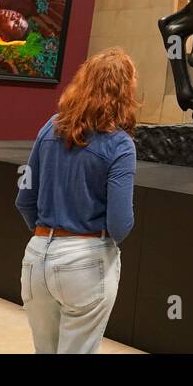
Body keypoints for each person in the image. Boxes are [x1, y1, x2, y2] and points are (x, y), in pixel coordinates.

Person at [15, 48, 137, 354]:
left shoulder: (50, 127)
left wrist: (48, 235)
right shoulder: (120, 144)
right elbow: (120, 224)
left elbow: (24, 198)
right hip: (86, 260)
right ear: (126, 91)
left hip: (36, 258)